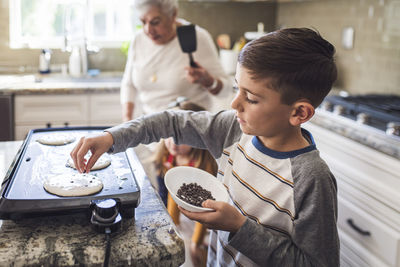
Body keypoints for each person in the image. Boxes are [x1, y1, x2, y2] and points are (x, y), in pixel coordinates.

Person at [71, 27, 339, 266]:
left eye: (252, 98)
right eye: (237, 89)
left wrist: (239, 227)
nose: (235, 104)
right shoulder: (233, 131)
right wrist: (113, 137)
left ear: (300, 113)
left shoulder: (311, 178)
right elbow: (171, 121)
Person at [121, 0, 230, 121]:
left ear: (173, 14)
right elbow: (128, 84)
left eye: (155, 22)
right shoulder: (139, 39)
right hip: (151, 128)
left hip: (189, 128)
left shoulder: (197, 37)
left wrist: (208, 81)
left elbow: (226, 90)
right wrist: (127, 121)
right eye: (143, 22)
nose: (148, 29)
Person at [154, 100, 218, 266]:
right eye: (169, 135)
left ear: (198, 138)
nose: (173, 143)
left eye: (181, 138)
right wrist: (170, 228)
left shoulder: (205, 166)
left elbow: (206, 211)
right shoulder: (165, 159)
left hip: (206, 218)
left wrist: (196, 243)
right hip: (178, 212)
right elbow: (165, 195)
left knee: (196, 253)